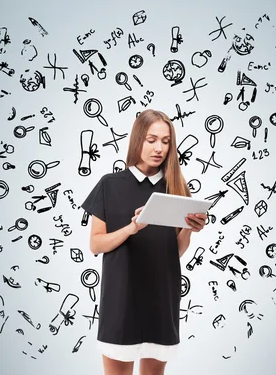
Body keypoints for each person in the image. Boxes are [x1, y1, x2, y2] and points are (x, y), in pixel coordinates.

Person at [81, 109, 207, 375]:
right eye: (151, 140)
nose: (159, 148)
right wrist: (131, 228)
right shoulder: (110, 185)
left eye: (165, 141)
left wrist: (190, 230)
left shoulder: (176, 188)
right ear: (138, 140)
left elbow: (174, 252)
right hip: (121, 300)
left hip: (161, 299)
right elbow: (96, 245)